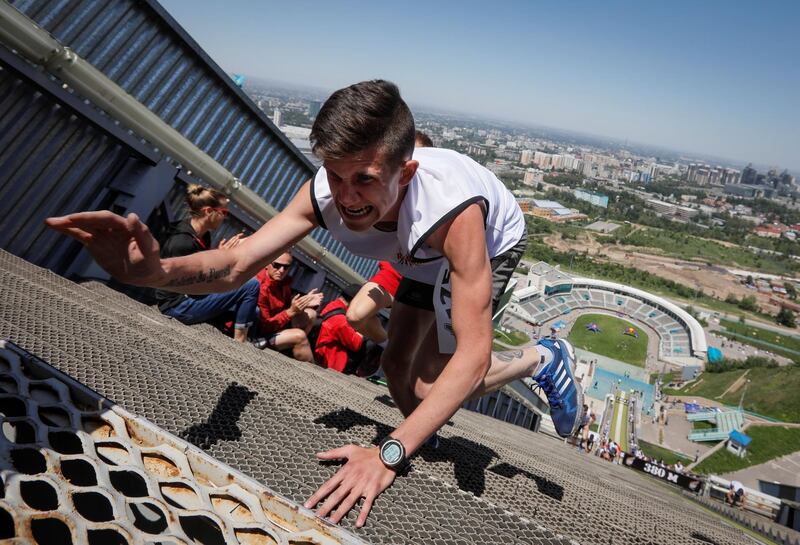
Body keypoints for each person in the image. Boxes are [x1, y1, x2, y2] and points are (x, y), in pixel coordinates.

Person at [46, 79, 583, 528]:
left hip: (483, 240)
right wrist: (154, 270)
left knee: (435, 382)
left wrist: (387, 455)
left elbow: (471, 356)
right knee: (399, 370)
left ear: (407, 173)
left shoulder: (454, 214)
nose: (346, 198)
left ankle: (538, 359)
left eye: (365, 180)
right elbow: (236, 265)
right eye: (336, 175)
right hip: (415, 250)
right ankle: (425, 424)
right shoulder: (324, 191)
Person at [345, 130, 430, 343]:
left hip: (427, 279)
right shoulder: (378, 192)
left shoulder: (434, 203)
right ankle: (385, 346)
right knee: (356, 314)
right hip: (395, 271)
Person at [153, 184, 257, 343]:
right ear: (208, 211)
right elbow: (195, 288)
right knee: (251, 285)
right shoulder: (183, 242)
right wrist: (222, 259)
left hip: (189, 297)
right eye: (224, 213)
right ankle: (240, 341)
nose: (225, 217)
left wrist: (219, 257)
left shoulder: (201, 235)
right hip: (177, 307)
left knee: (255, 312)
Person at [253, 251, 323, 362]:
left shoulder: (282, 283)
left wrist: (304, 302)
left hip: (275, 327)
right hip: (257, 334)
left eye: (286, 267)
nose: (281, 270)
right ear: (267, 264)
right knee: (299, 336)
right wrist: (291, 311)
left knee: (311, 314)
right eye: (277, 265)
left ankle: (293, 349)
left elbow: (286, 307)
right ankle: (310, 370)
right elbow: (264, 326)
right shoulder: (260, 286)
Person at [314, 284, 381, 375]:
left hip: (324, 358)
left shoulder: (331, 305)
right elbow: (356, 343)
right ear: (355, 301)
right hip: (331, 367)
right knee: (371, 345)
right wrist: (364, 326)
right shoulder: (341, 320)